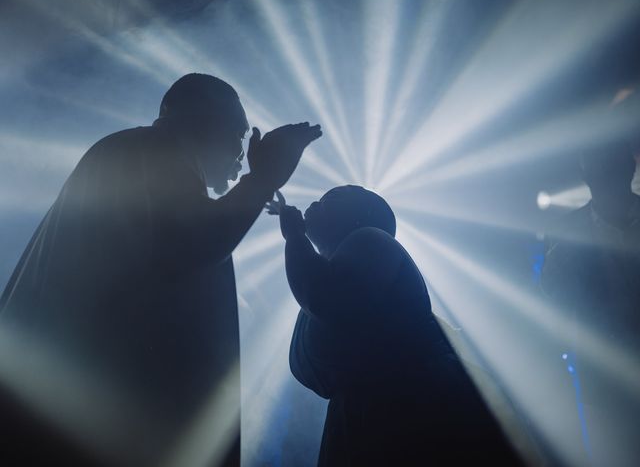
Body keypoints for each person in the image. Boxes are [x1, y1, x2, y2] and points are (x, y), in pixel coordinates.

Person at [0, 73, 322, 466]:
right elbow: (193, 247)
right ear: (206, 121)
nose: (244, 154)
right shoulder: (154, 152)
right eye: (239, 134)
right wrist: (263, 178)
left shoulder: (133, 151)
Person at [266, 186, 520, 466]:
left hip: (408, 410)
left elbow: (325, 297)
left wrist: (294, 237)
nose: (315, 203)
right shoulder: (334, 267)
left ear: (360, 214)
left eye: (330, 199)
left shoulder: (371, 239)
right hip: (370, 415)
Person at [540, 91, 640, 467]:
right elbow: (553, 299)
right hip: (603, 382)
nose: (602, 172)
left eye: (607, 164)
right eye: (597, 165)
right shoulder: (564, 235)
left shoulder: (565, 231)